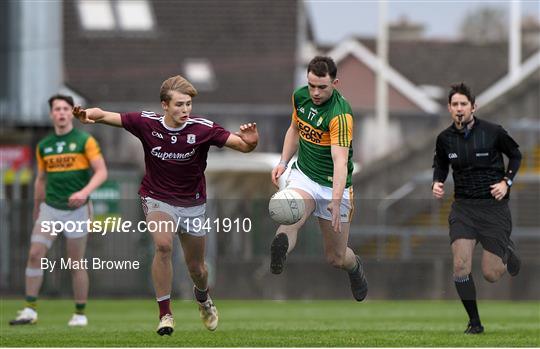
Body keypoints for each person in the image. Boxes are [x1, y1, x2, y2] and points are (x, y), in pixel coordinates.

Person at [72, 75, 258, 335]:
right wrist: (87, 115)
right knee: (162, 246)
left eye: (188, 105)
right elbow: (104, 115)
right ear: (165, 105)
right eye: (180, 105)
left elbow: (243, 146)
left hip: (193, 204)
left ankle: (203, 299)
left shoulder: (202, 129)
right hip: (157, 198)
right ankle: (165, 315)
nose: (185, 110)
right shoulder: (146, 123)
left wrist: (252, 142)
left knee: (198, 269)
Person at [270, 56, 368, 301]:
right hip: (304, 175)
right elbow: (294, 129)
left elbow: (340, 161)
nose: (315, 92)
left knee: (336, 257)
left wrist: (335, 200)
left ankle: (354, 266)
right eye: (311, 85)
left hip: (333, 185)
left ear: (335, 83)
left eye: (321, 87)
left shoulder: (340, 114)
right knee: (290, 216)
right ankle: (279, 249)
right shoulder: (300, 97)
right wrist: (283, 162)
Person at [9, 94, 108, 327]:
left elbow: (102, 172)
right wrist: (37, 206)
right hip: (50, 209)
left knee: (75, 263)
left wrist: (84, 192)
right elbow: (41, 179)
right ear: (51, 114)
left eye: (65, 108)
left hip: (77, 211)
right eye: (57, 109)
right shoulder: (44, 146)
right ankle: (30, 310)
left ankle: (80, 313)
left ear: (70, 113)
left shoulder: (85, 141)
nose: (61, 112)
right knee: (34, 254)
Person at [432, 83, 522, 334]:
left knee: (491, 274)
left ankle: (507, 252)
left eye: (464, 104)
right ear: (449, 108)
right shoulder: (444, 139)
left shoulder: (494, 132)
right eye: (455, 104)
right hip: (463, 209)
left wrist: (506, 182)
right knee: (460, 265)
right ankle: (474, 322)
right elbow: (440, 166)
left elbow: (516, 155)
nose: (459, 109)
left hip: (494, 209)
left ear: (473, 106)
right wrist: (437, 182)